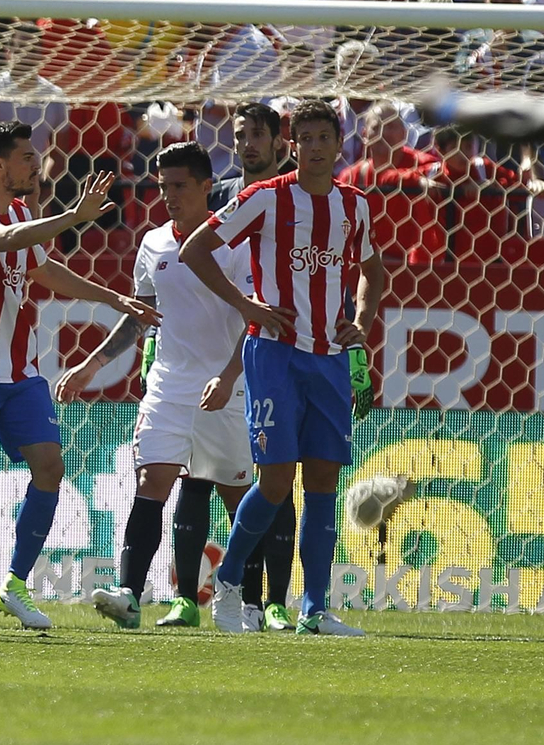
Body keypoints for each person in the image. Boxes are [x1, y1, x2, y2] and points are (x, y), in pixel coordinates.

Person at [0, 121, 159, 630]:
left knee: (50, 467)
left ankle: (13, 587)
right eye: (26, 157)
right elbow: (4, 241)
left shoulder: (20, 212)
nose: (37, 164)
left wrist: (110, 296)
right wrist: (72, 216)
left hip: (18, 373)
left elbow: (41, 267)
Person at [181, 98, 384, 637]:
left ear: (338, 144)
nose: (315, 148)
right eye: (306, 138)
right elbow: (196, 249)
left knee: (323, 481)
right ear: (291, 144)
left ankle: (314, 608)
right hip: (274, 353)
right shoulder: (265, 199)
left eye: (324, 138)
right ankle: (227, 583)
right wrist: (246, 307)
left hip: (330, 359)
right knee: (275, 482)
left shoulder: (355, 205)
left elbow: (373, 269)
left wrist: (360, 318)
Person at [63, 142, 285, 632]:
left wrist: (230, 377)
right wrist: (91, 365)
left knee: (237, 497)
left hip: (227, 387)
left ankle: (249, 603)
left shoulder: (236, 244)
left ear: (208, 186)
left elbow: (256, 320)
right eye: (163, 187)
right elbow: (141, 318)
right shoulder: (153, 243)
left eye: (180, 186)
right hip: (168, 386)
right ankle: (130, 595)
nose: (169, 196)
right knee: (151, 482)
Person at [210, 100, 289, 210]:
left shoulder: (296, 198)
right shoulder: (214, 197)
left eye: (257, 134)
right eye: (241, 136)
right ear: (235, 144)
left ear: (278, 142)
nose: (248, 144)